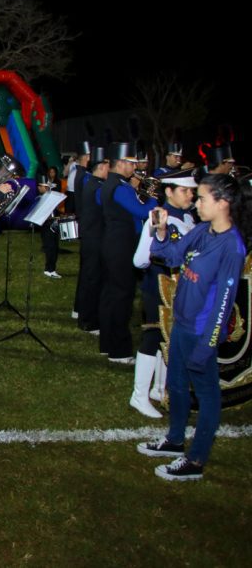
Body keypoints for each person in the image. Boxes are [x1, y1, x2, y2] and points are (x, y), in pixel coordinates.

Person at [137, 173, 250, 480]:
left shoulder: (232, 247)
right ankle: (174, 440)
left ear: (223, 203)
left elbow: (224, 302)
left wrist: (208, 343)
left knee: (207, 394)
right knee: (176, 386)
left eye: (202, 198)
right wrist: (160, 231)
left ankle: (196, 460)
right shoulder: (203, 231)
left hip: (202, 332)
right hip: (182, 324)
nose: (197, 203)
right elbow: (170, 255)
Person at [129, 172, 197, 417]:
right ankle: (139, 395)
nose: (190, 194)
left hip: (179, 288)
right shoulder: (158, 218)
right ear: (169, 192)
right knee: (152, 336)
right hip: (157, 286)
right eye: (184, 190)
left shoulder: (187, 216)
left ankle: (159, 389)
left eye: (191, 190)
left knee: (167, 338)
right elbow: (139, 260)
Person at [99, 142, 156, 364]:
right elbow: (142, 211)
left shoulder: (110, 184)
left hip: (112, 243)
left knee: (111, 296)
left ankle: (108, 344)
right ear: (121, 163)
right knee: (122, 297)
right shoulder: (120, 187)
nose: (135, 168)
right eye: (132, 164)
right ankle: (120, 351)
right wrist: (152, 196)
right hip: (121, 246)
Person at [73, 147, 108, 334]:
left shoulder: (91, 183)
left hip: (90, 235)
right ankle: (88, 320)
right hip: (94, 237)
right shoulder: (96, 186)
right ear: (101, 167)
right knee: (92, 279)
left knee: (89, 277)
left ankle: (83, 315)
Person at [37, 167, 61, 278]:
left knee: (55, 247)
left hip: (53, 225)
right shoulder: (39, 198)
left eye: (47, 187)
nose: (46, 189)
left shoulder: (50, 196)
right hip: (47, 226)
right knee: (50, 248)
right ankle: (48, 269)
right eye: (44, 187)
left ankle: (52, 268)